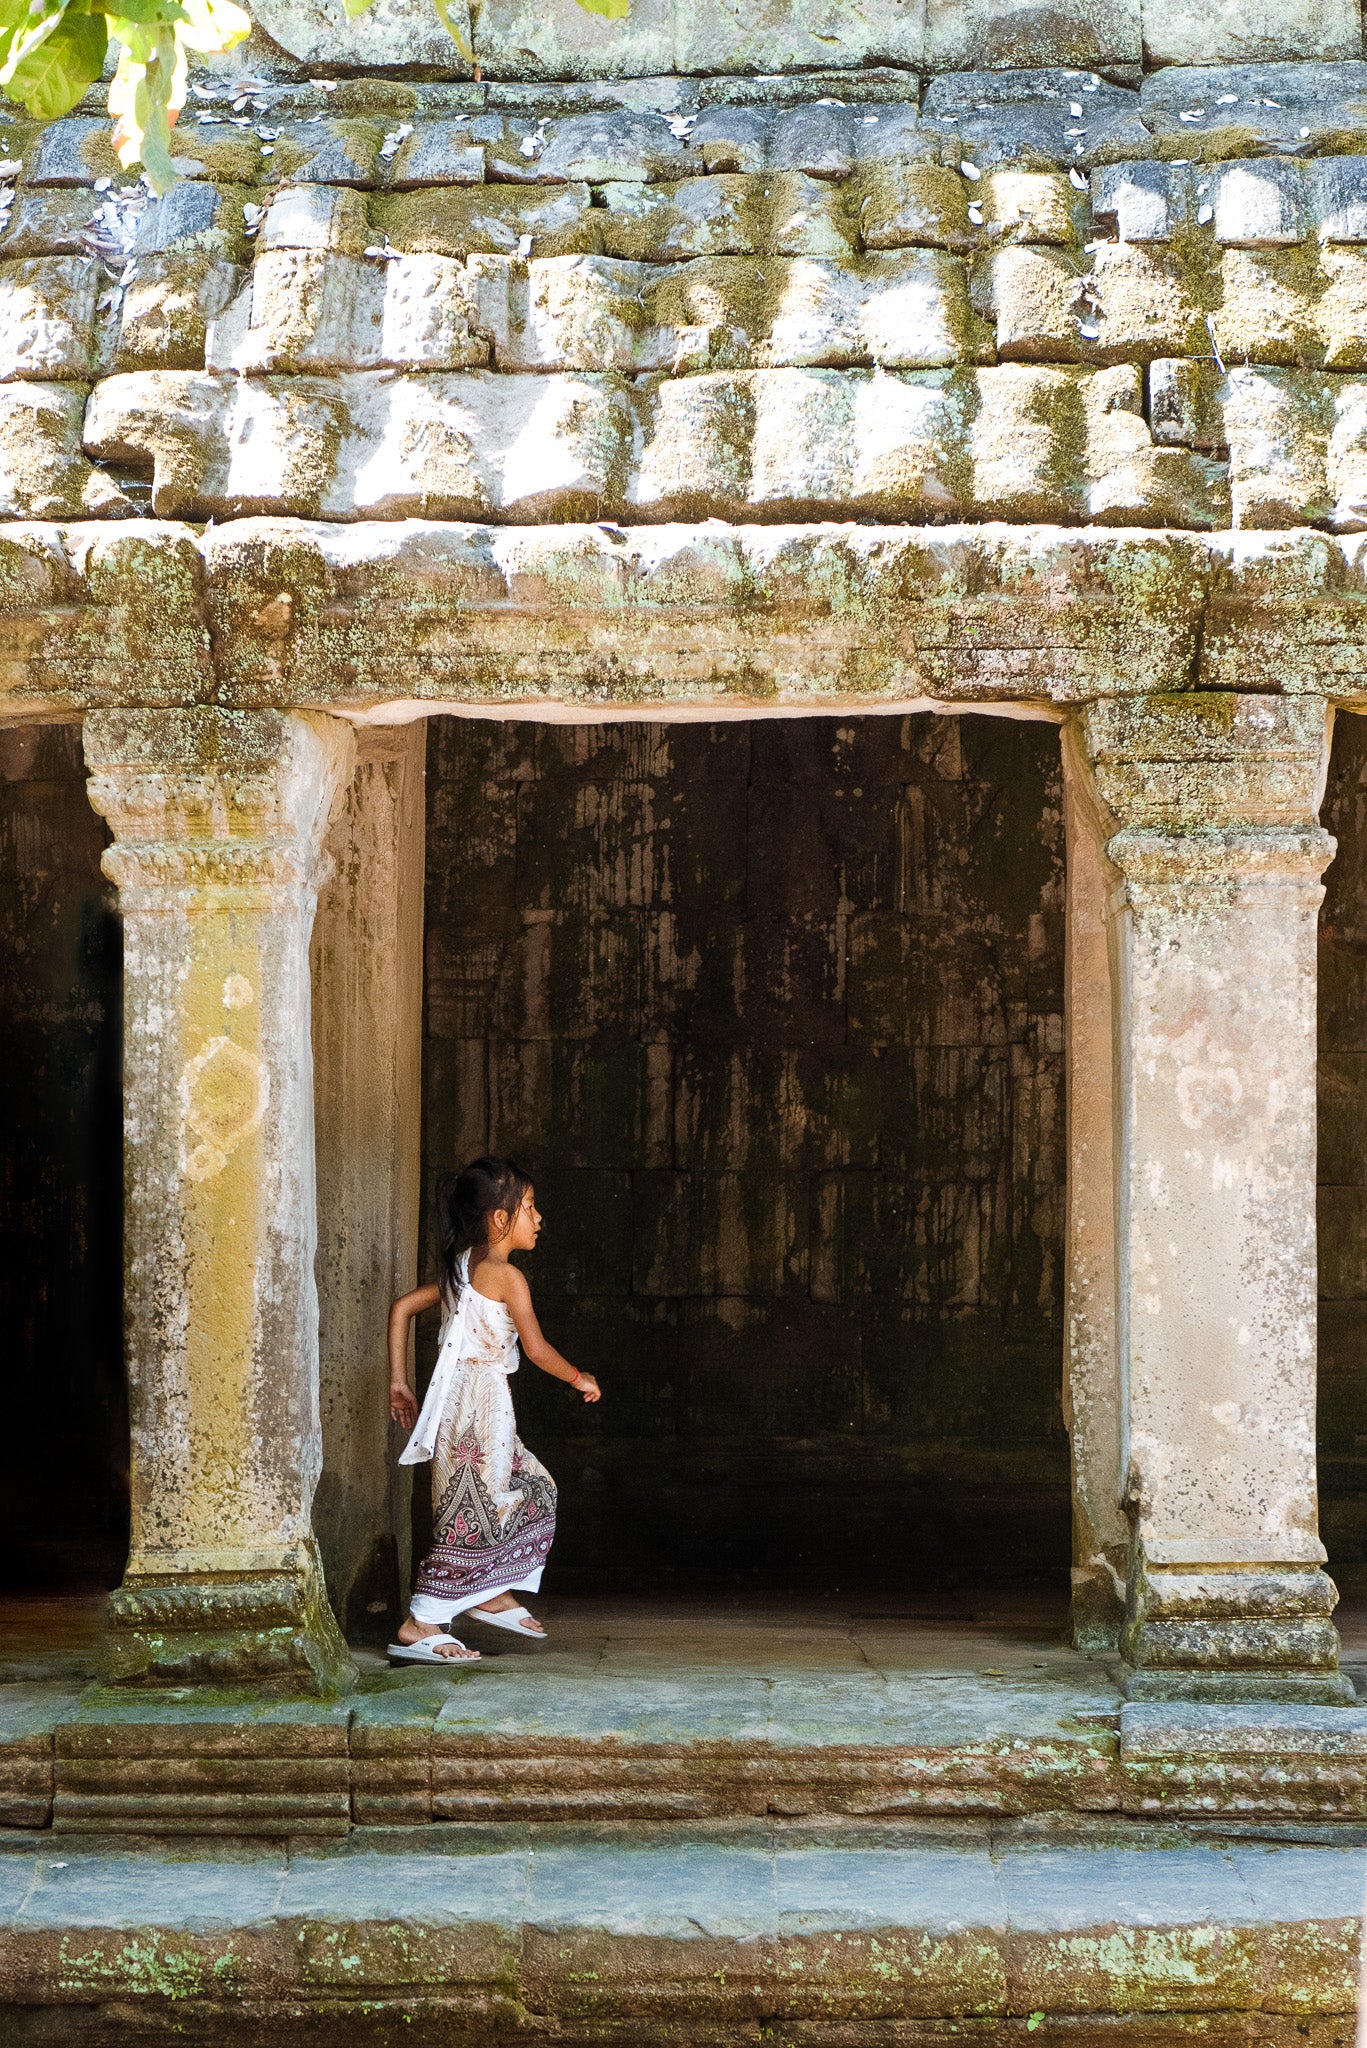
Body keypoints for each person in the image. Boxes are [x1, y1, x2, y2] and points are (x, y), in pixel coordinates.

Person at [386, 1156, 600, 1664]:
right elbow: (538, 1348)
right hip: (482, 1405)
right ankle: (421, 1622)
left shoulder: (462, 1266)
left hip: (459, 1404)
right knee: (471, 1511)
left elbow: (400, 1309)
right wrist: (579, 1378)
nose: (538, 1216)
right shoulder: (506, 1277)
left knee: (532, 1487)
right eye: (528, 1207)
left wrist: (399, 1381)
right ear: (500, 1219)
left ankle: (485, 1594)